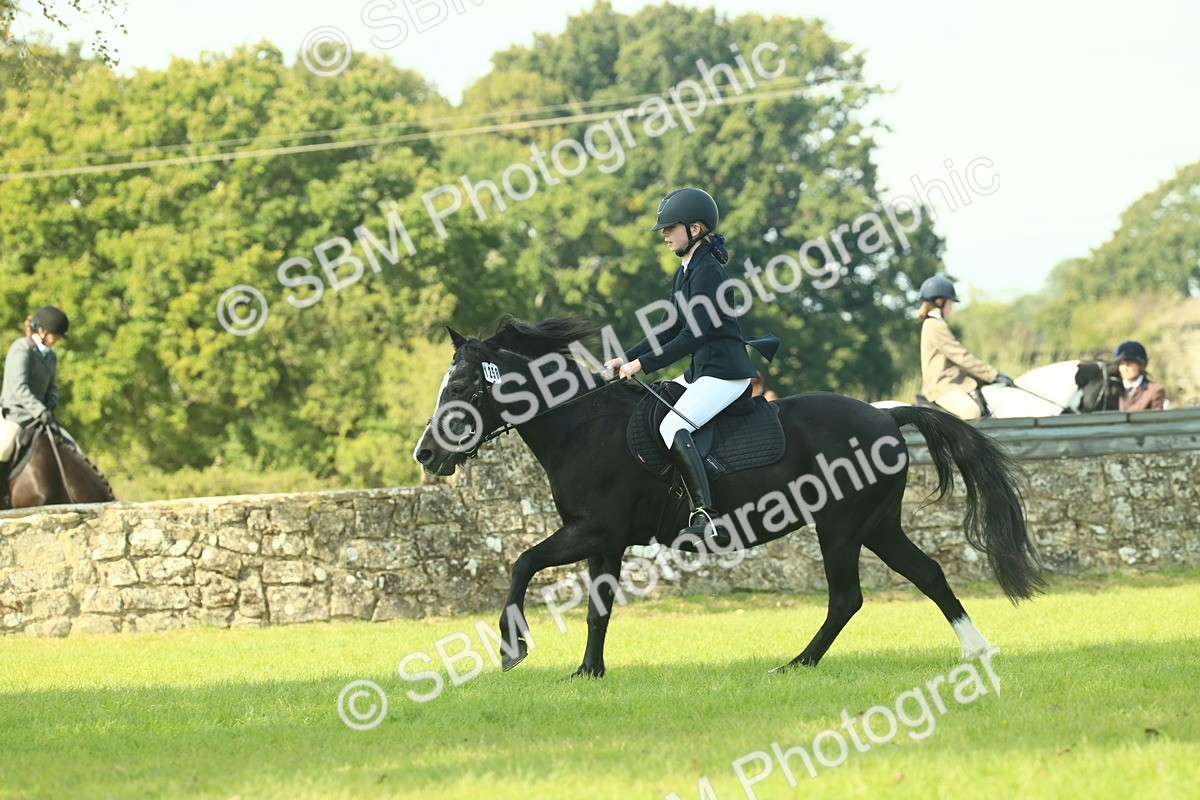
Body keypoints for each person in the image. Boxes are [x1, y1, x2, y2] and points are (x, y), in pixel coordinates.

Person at [603, 188, 776, 547]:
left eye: (670, 229)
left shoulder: (708, 272)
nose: (664, 234)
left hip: (725, 372)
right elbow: (668, 326)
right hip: (704, 371)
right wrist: (625, 356)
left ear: (695, 229)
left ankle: (706, 514)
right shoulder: (687, 269)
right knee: (653, 409)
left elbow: (692, 336)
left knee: (672, 425)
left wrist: (642, 363)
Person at [918, 276, 1014, 421]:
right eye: (950, 302)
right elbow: (961, 356)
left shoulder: (935, 324)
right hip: (943, 387)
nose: (951, 307)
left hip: (951, 383)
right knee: (971, 412)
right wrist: (993, 374)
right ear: (939, 301)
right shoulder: (934, 325)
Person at [1, 306, 69, 499]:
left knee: (70, 444)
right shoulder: (21, 349)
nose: (57, 340)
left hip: (41, 417)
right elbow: (19, 387)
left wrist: (51, 403)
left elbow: (52, 386)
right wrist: (40, 410)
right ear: (42, 331)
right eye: (55, 335)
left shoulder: (51, 356)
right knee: (3, 449)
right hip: (15, 415)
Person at [1112, 340, 1166, 411]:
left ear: (1141, 365)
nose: (1125, 368)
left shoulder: (1154, 391)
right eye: (1121, 364)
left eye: (1128, 364)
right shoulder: (1112, 391)